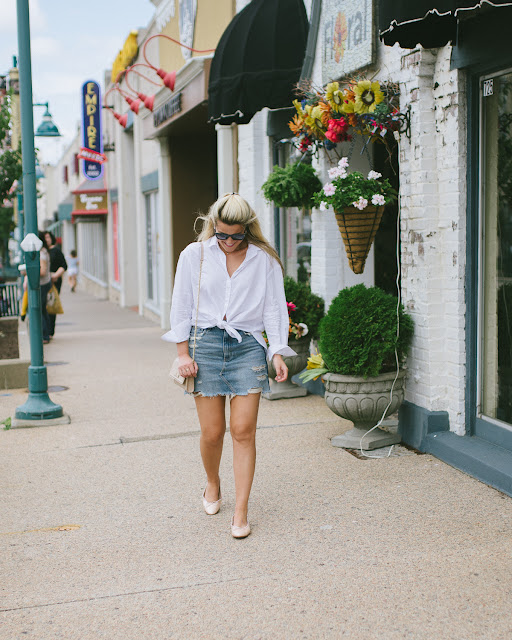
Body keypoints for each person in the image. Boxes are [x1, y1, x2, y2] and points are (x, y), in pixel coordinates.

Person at [162, 193, 295, 539]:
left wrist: (276, 351)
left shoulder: (264, 260)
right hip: (203, 345)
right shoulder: (196, 254)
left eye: (236, 236)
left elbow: (274, 308)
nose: (229, 242)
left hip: (247, 346)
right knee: (212, 433)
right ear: (213, 227)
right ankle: (212, 481)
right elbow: (181, 304)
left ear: (248, 229)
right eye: (222, 235)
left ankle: (240, 510)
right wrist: (182, 353)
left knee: (243, 430)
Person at [44, 231, 67, 338]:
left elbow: (63, 265)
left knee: (52, 303)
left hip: (54, 281)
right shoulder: (43, 251)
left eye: (48, 237)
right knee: (45, 305)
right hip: (45, 280)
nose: (47, 239)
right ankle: (46, 329)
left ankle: (50, 330)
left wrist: (55, 275)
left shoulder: (56, 251)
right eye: (45, 238)